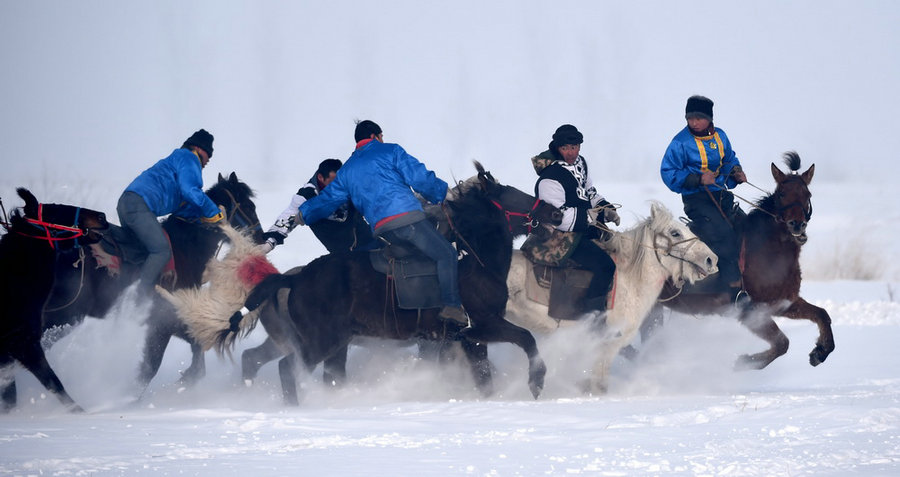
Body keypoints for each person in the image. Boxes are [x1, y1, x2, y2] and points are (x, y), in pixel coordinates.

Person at [297, 120, 469, 325]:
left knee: (416, 259)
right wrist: (443, 193)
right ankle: (451, 306)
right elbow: (418, 176)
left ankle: (423, 316)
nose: (382, 139)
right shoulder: (391, 151)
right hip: (408, 220)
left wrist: (303, 214)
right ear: (374, 136)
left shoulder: (347, 170)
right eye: (381, 136)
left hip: (382, 230)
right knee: (446, 253)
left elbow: (328, 199)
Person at [523, 124, 620, 313]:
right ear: (557, 148)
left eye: (574, 147)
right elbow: (557, 217)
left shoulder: (580, 163)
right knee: (605, 265)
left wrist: (605, 207)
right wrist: (594, 217)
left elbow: (588, 192)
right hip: (558, 238)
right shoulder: (550, 178)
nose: (571, 152)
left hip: (581, 229)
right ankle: (593, 319)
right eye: (565, 148)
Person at [117, 129, 224, 298]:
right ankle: (139, 298)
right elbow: (191, 190)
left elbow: (183, 208)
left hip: (128, 204)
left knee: (140, 251)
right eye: (207, 154)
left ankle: (122, 289)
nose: (208, 160)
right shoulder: (189, 157)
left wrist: (203, 218)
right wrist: (215, 214)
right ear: (197, 148)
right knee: (161, 251)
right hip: (138, 205)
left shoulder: (177, 165)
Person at [660, 95, 748, 293]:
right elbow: (668, 172)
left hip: (722, 196)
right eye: (690, 118)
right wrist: (698, 179)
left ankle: (753, 280)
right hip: (697, 201)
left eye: (699, 118)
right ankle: (732, 288)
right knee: (724, 233)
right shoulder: (680, 142)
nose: (694, 122)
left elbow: (729, 159)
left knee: (748, 228)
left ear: (709, 118)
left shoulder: (720, 136)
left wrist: (736, 172)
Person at [260, 158, 373, 254]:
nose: (337, 185)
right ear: (320, 177)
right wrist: (269, 243)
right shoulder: (306, 195)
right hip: (341, 251)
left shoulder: (347, 184)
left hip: (368, 240)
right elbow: (289, 217)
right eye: (333, 181)